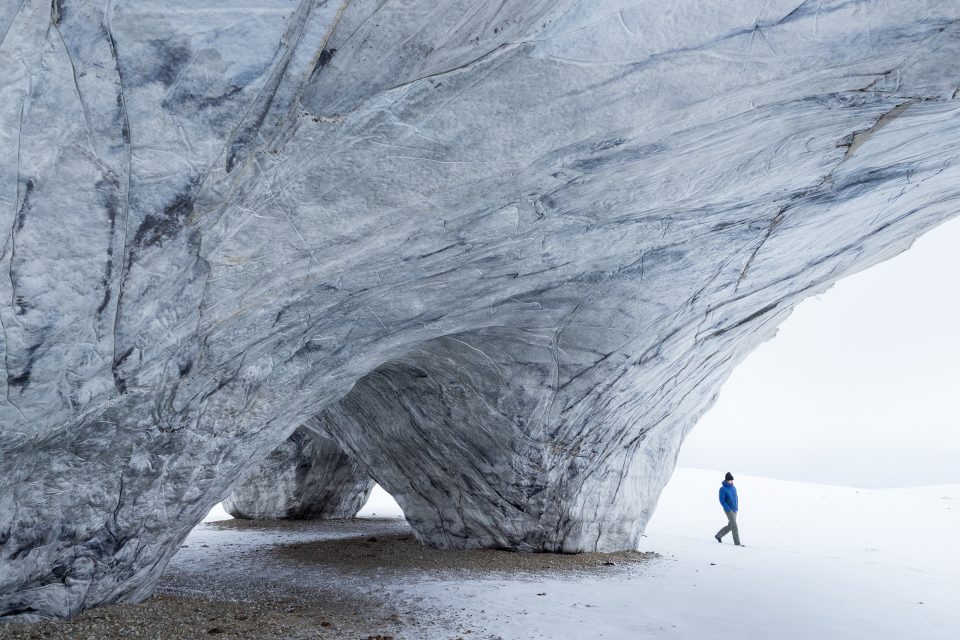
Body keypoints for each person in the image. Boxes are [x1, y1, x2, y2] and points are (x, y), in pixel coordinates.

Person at [715, 471, 742, 546]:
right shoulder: (723, 489)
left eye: (732, 480)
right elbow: (721, 500)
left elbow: (736, 497)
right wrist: (727, 508)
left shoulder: (733, 488)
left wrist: (736, 506)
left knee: (731, 526)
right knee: (734, 526)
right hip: (728, 509)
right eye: (730, 480)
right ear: (727, 480)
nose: (732, 481)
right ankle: (737, 543)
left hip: (734, 509)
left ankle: (718, 535)